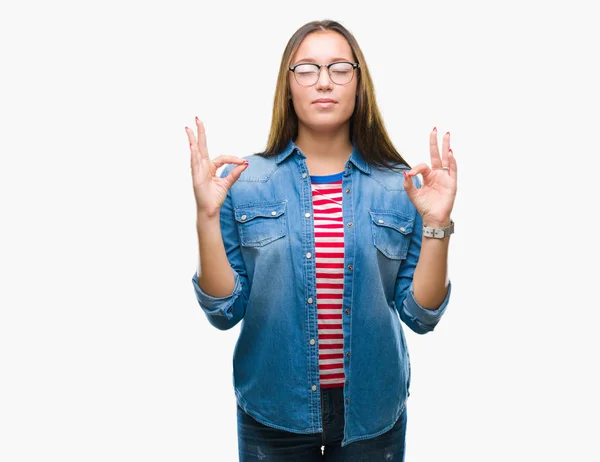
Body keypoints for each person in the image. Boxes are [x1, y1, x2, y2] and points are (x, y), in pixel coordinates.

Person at [187, 19, 457, 462]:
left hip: (372, 411)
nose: (324, 82)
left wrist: (438, 222)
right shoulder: (244, 182)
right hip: (273, 408)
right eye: (307, 69)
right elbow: (224, 310)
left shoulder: (401, 186)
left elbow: (420, 315)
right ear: (288, 86)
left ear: (358, 83)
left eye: (339, 68)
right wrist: (207, 214)